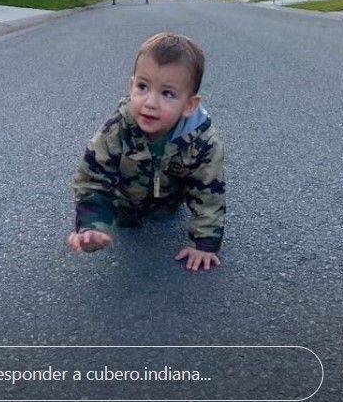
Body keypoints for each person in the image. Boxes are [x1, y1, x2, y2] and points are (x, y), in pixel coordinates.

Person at [67, 32, 225, 272]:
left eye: (167, 93)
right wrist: (91, 226)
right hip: (124, 203)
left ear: (189, 105)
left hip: (169, 203)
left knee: (167, 214)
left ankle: (161, 210)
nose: (150, 102)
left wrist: (205, 243)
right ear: (131, 87)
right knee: (123, 222)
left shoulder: (202, 141)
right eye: (143, 87)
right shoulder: (116, 130)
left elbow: (209, 194)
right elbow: (93, 180)